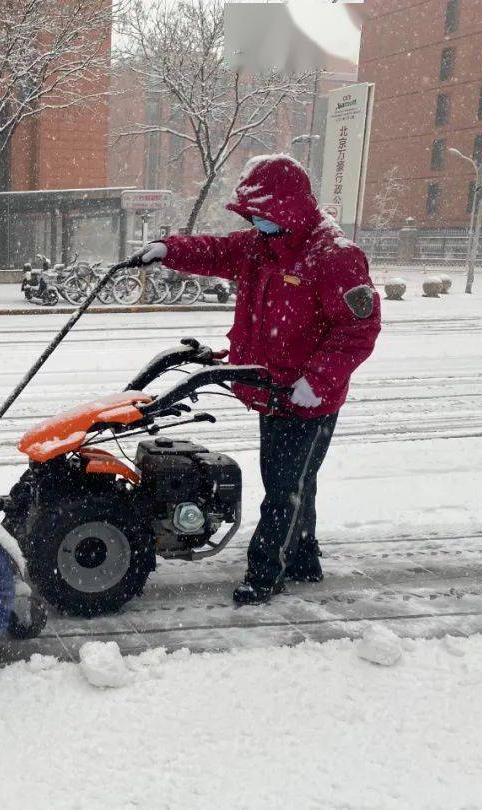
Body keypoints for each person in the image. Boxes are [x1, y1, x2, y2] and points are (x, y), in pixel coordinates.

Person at [133, 154, 381, 605]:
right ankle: (303, 558)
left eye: (263, 217)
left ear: (287, 210)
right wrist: (169, 250)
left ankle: (266, 575)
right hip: (272, 390)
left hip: (307, 399)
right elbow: (216, 251)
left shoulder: (334, 257)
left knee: (285, 488)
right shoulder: (262, 246)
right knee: (292, 482)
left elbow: (358, 329)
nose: (256, 225)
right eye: (253, 217)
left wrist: (316, 383)